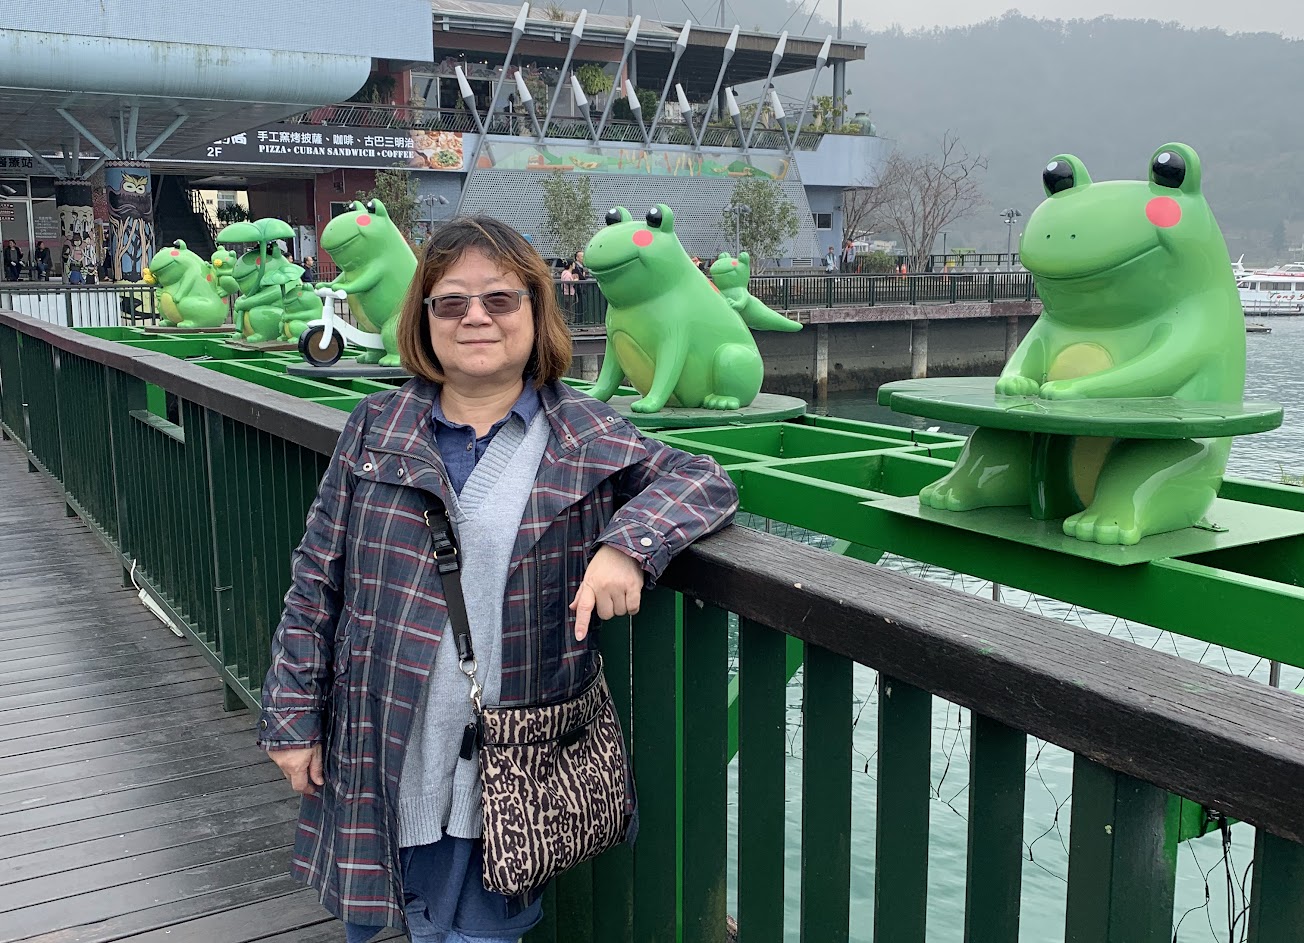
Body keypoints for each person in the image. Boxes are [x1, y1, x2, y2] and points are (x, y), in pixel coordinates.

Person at [258, 216, 738, 943]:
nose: (475, 317)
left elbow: (703, 479)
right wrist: (293, 716)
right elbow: (315, 583)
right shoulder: (376, 427)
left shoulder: (583, 432)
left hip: (509, 773)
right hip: (378, 747)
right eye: (451, 302)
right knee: (377, 923)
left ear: (535, 311)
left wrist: (629, 545)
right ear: (424, 319)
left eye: (500, 299)